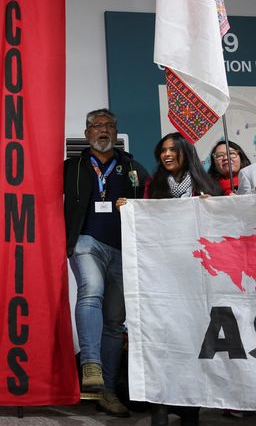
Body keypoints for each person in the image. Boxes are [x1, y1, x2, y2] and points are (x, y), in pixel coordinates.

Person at [119, 132, 219, 426]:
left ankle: (191, 407)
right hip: (162, 278)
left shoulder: (206, 186)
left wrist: (213, 206)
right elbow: (147, 220)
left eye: (173, 149)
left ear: (186, 152)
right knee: (161, 340)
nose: (167, 154)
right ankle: (160, 404)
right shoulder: (154, 185)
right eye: (163, 150)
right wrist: (131, 209)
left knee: (192, 340)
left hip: (196, 279)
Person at [63, 108, 149, 418]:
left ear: (115, 133)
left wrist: (136, 203)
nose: (103, 130)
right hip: (86, 242)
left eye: (109, 126)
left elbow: (153, 203)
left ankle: (108, 392)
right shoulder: (71, 167)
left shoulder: (132, 167)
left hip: (124, 250)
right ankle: (90, 363)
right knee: (91, 290)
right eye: (97, 126)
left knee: (114, 321)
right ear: (87, 134)